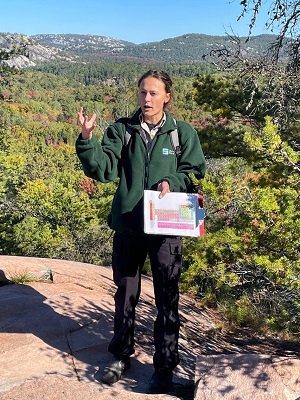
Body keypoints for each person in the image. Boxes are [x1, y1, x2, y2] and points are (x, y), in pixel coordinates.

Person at [75, 69, 206, 394]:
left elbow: (194, 171)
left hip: (165, 230)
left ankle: (164, 368)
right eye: (142, 92)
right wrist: (88, 140)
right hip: (129, 229)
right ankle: (120, 357)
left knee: (167, 301)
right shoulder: (122, 130)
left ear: (167, 96)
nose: (146, 98)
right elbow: (103, 170)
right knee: (125, 297)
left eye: (153, 93)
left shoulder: (182, 133)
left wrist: (171, 182)